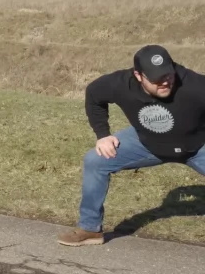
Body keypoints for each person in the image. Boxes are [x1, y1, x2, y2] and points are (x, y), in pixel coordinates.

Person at [58, 45, 205, 246]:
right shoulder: (120, 84)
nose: (164, 82)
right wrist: (102, 134)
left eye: (168, 76)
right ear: (138, 75)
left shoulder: (195, 85)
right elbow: (94, 94)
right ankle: (90, 229)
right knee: (95, 161)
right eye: (156, 79)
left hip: (196, 147)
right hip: (146, 143)